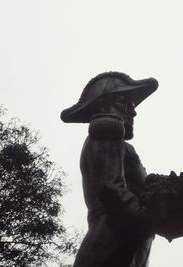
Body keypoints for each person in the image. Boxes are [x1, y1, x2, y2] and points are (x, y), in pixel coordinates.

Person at [61, 72, 159, 267]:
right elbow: (111, 189)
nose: (133, 112)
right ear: (105, 106)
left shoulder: (119, 143)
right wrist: (150, 218)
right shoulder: (107, 130)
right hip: (112, 242)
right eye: (126, 104)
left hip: (123, 241)